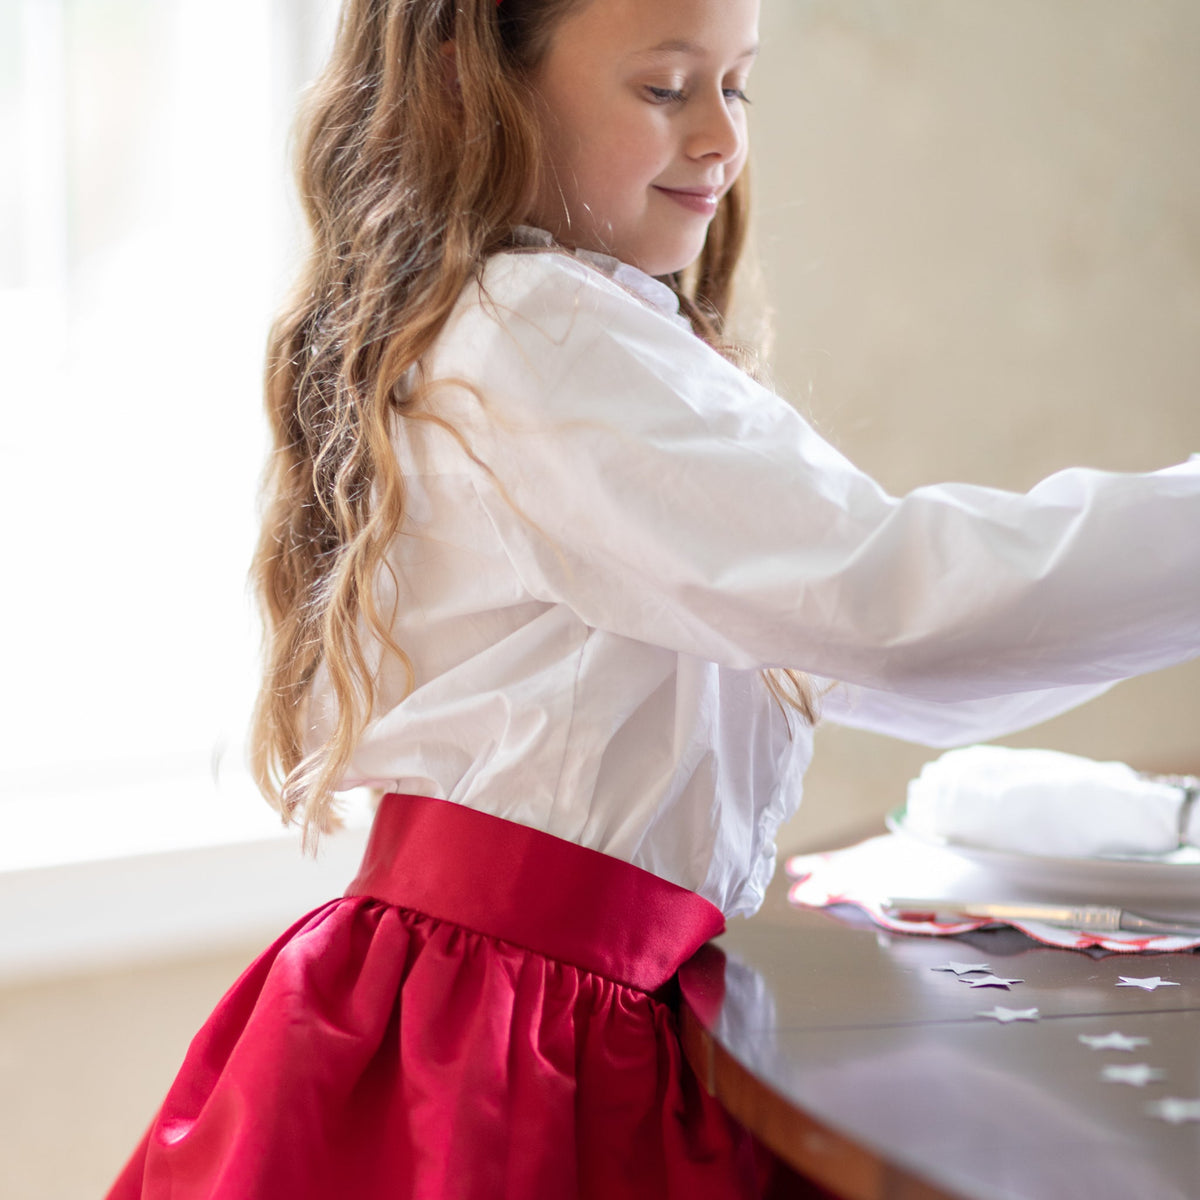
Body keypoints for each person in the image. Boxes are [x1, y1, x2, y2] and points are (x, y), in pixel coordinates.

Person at [107, 0, 1200, 1196]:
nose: (722, 136)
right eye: (666, 87)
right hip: (505, 1041)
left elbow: (847, 639)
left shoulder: (559, 331)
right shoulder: (540, 337)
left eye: (738, 85)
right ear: (475, 80)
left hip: (528, 1001)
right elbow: (887, 606)